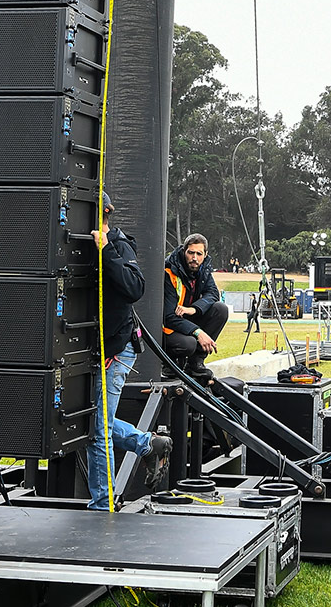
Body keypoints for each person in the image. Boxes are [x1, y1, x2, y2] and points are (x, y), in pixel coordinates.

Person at [86, 190, 170, 511]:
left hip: (117, 350)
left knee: (99, 431)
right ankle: (148, 444)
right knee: (92, 425)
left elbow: (133, 289)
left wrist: (106, 249)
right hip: (94, 350)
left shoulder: (118, 245)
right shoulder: (84, 244)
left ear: (105, 213)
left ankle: (102, 505)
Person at [161, 233, 230, 380]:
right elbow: (168, 317)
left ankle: (195, 363)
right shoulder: (169, 272)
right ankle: (170, 364)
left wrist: (194, 309)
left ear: (205, 255)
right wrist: (198, 332)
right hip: (167, 327)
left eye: (199, 254)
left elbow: (212, 293)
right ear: (183, 251)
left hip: (186, 317)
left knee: (220, 309)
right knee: (189, 343)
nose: (194, 258)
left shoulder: (203, 269)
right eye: (191, 253)